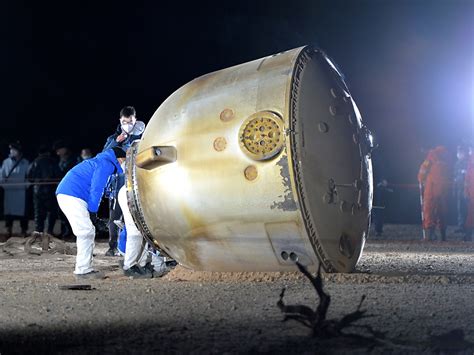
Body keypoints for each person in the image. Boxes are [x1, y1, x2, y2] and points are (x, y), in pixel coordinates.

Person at [56, 147, 126, 279]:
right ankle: (83, 270)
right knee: (85, 232)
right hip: (73, 195)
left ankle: (84, 268)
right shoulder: (106, 164)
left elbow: (103, 188)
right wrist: (93, 213)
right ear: (119, 158)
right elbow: (96, 189)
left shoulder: (103, 162)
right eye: (124, 159)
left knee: (87, 231)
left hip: (71, 194)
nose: (125, 163)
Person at [102, 106, 146, 256]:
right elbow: (104, 155)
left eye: (130, 121)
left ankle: (137, 247)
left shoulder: (143, 136)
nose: (127, 124)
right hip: (118, 183)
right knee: (115, 216)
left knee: (137, 215)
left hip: (136, 181)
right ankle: (112, 246)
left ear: (136, 120)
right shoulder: (113, 138)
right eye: (124, 122)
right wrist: (116, 141)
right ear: (120, 121)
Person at [418, 146, 451, 241]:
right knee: (442, 213)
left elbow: (421, 172)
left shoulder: (430, 159)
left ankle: (430, 235)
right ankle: (443, 236)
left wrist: (421, 180)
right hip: (443, 191)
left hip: (431, 190)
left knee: (429, 212)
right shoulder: (446, 162)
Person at [27, 145, 62, 235]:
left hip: (37, 190)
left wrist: (36, 182)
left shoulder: (35, 162)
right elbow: (59, 175)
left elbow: (29, 176)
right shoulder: (53, 162)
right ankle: (50, 230)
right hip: (51, 189)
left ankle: (39, 232)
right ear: (48, 153)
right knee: (51, 212)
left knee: (38, 212)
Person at [1, 142, 30, 238]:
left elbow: (29, 177)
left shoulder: (25, 162)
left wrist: (25, 186)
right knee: (9, 213)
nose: (11, 151)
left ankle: (23, 230)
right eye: (11, 149)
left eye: (14, 149)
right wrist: (4, 185)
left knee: (22, 213)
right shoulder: (6, 162)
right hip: (9, 192)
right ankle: (8, 230)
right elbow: (1, 175)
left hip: (21, 193)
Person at [53, 140, 79, 237]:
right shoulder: (57, 161)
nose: (58, 152)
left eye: (60, 149)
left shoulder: (73, 160)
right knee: (61, 212)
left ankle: (71, 231)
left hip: (71, 188)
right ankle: (65, 230)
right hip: (61, 188)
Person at [453, 145, 468, 233]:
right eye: (458, 152)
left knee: (468, 208)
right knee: (460, 208)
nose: (458, 154)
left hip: (467, 189)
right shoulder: (457, 163)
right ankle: (461, 225)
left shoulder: (469, 162)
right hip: (459, 189)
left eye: (460, 152)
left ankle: (469, 226)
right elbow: (454, 176)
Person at [463, 148, 474, 242]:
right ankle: (468, 236)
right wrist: (466, 193)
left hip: (471, 196)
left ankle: (469, 235)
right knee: (470, 216)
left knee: (470, 216)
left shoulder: (470, 167)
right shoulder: (470, 167)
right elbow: (466, 181)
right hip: (471, 197)